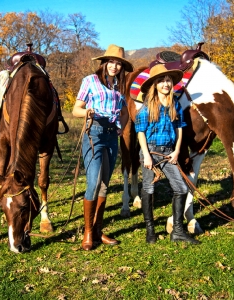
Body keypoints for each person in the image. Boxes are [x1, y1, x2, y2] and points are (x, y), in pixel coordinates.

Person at [72, 44, 133, 251]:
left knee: (105, 184)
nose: (115, 67)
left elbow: (124, 113)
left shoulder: (118, 86)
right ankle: (88, 232)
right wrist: (88, 111)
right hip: (94, 133)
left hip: (110, 137)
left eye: (119, 64)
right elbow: (75, 110)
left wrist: (120, 129)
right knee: (93, 182)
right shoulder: (89, 81)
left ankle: (98, 230)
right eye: (112, 62)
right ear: (104, 63)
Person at [135, 63, 201, 245]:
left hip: (168, 153)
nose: (166, 84)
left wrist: (177, 151)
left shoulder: (174, 105)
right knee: (149, 188)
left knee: (181, 188)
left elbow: (179, 128)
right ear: (155, 85)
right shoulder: (148, 106)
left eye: (168, 80)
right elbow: (140, 131)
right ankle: (150, 230)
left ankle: (178, 230)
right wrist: (146, 156)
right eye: (162, 81)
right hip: (150, 150)